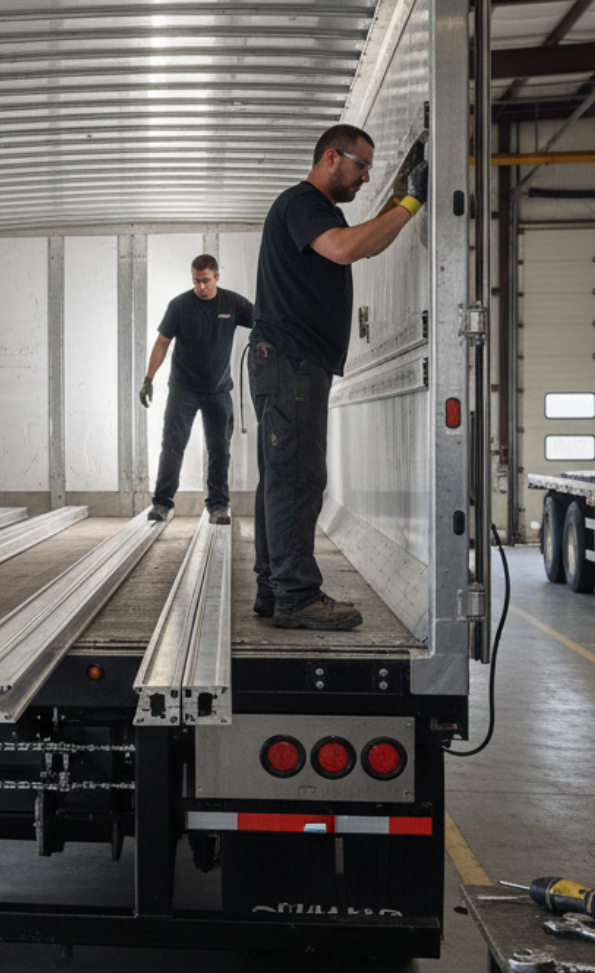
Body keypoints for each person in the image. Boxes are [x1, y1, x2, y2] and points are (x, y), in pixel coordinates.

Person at [250, 123, 427, 631]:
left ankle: (274, 587)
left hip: (287, 361)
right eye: (361, 165)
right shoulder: (304, 203)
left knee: (281, 479)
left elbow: (358, 239)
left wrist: (397, 204)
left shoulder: (315, 209)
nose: (365, 177)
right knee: (299, 478)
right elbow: (349, 249)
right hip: (292, 363)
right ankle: (296, 597)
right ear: (332, 157)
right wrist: (410, 204)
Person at [138, 254, 255, 525]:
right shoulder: (179, 305)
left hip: (218, 391)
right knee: (173, 445)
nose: (200, 287)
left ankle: (217, 505)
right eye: (195, 281)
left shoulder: (232, 303)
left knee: (219, 449)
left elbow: (264, 320)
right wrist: (148, 379)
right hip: (183, 390)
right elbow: (162, 343)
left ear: (216, 277)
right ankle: (162, 502)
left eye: (205, 281)